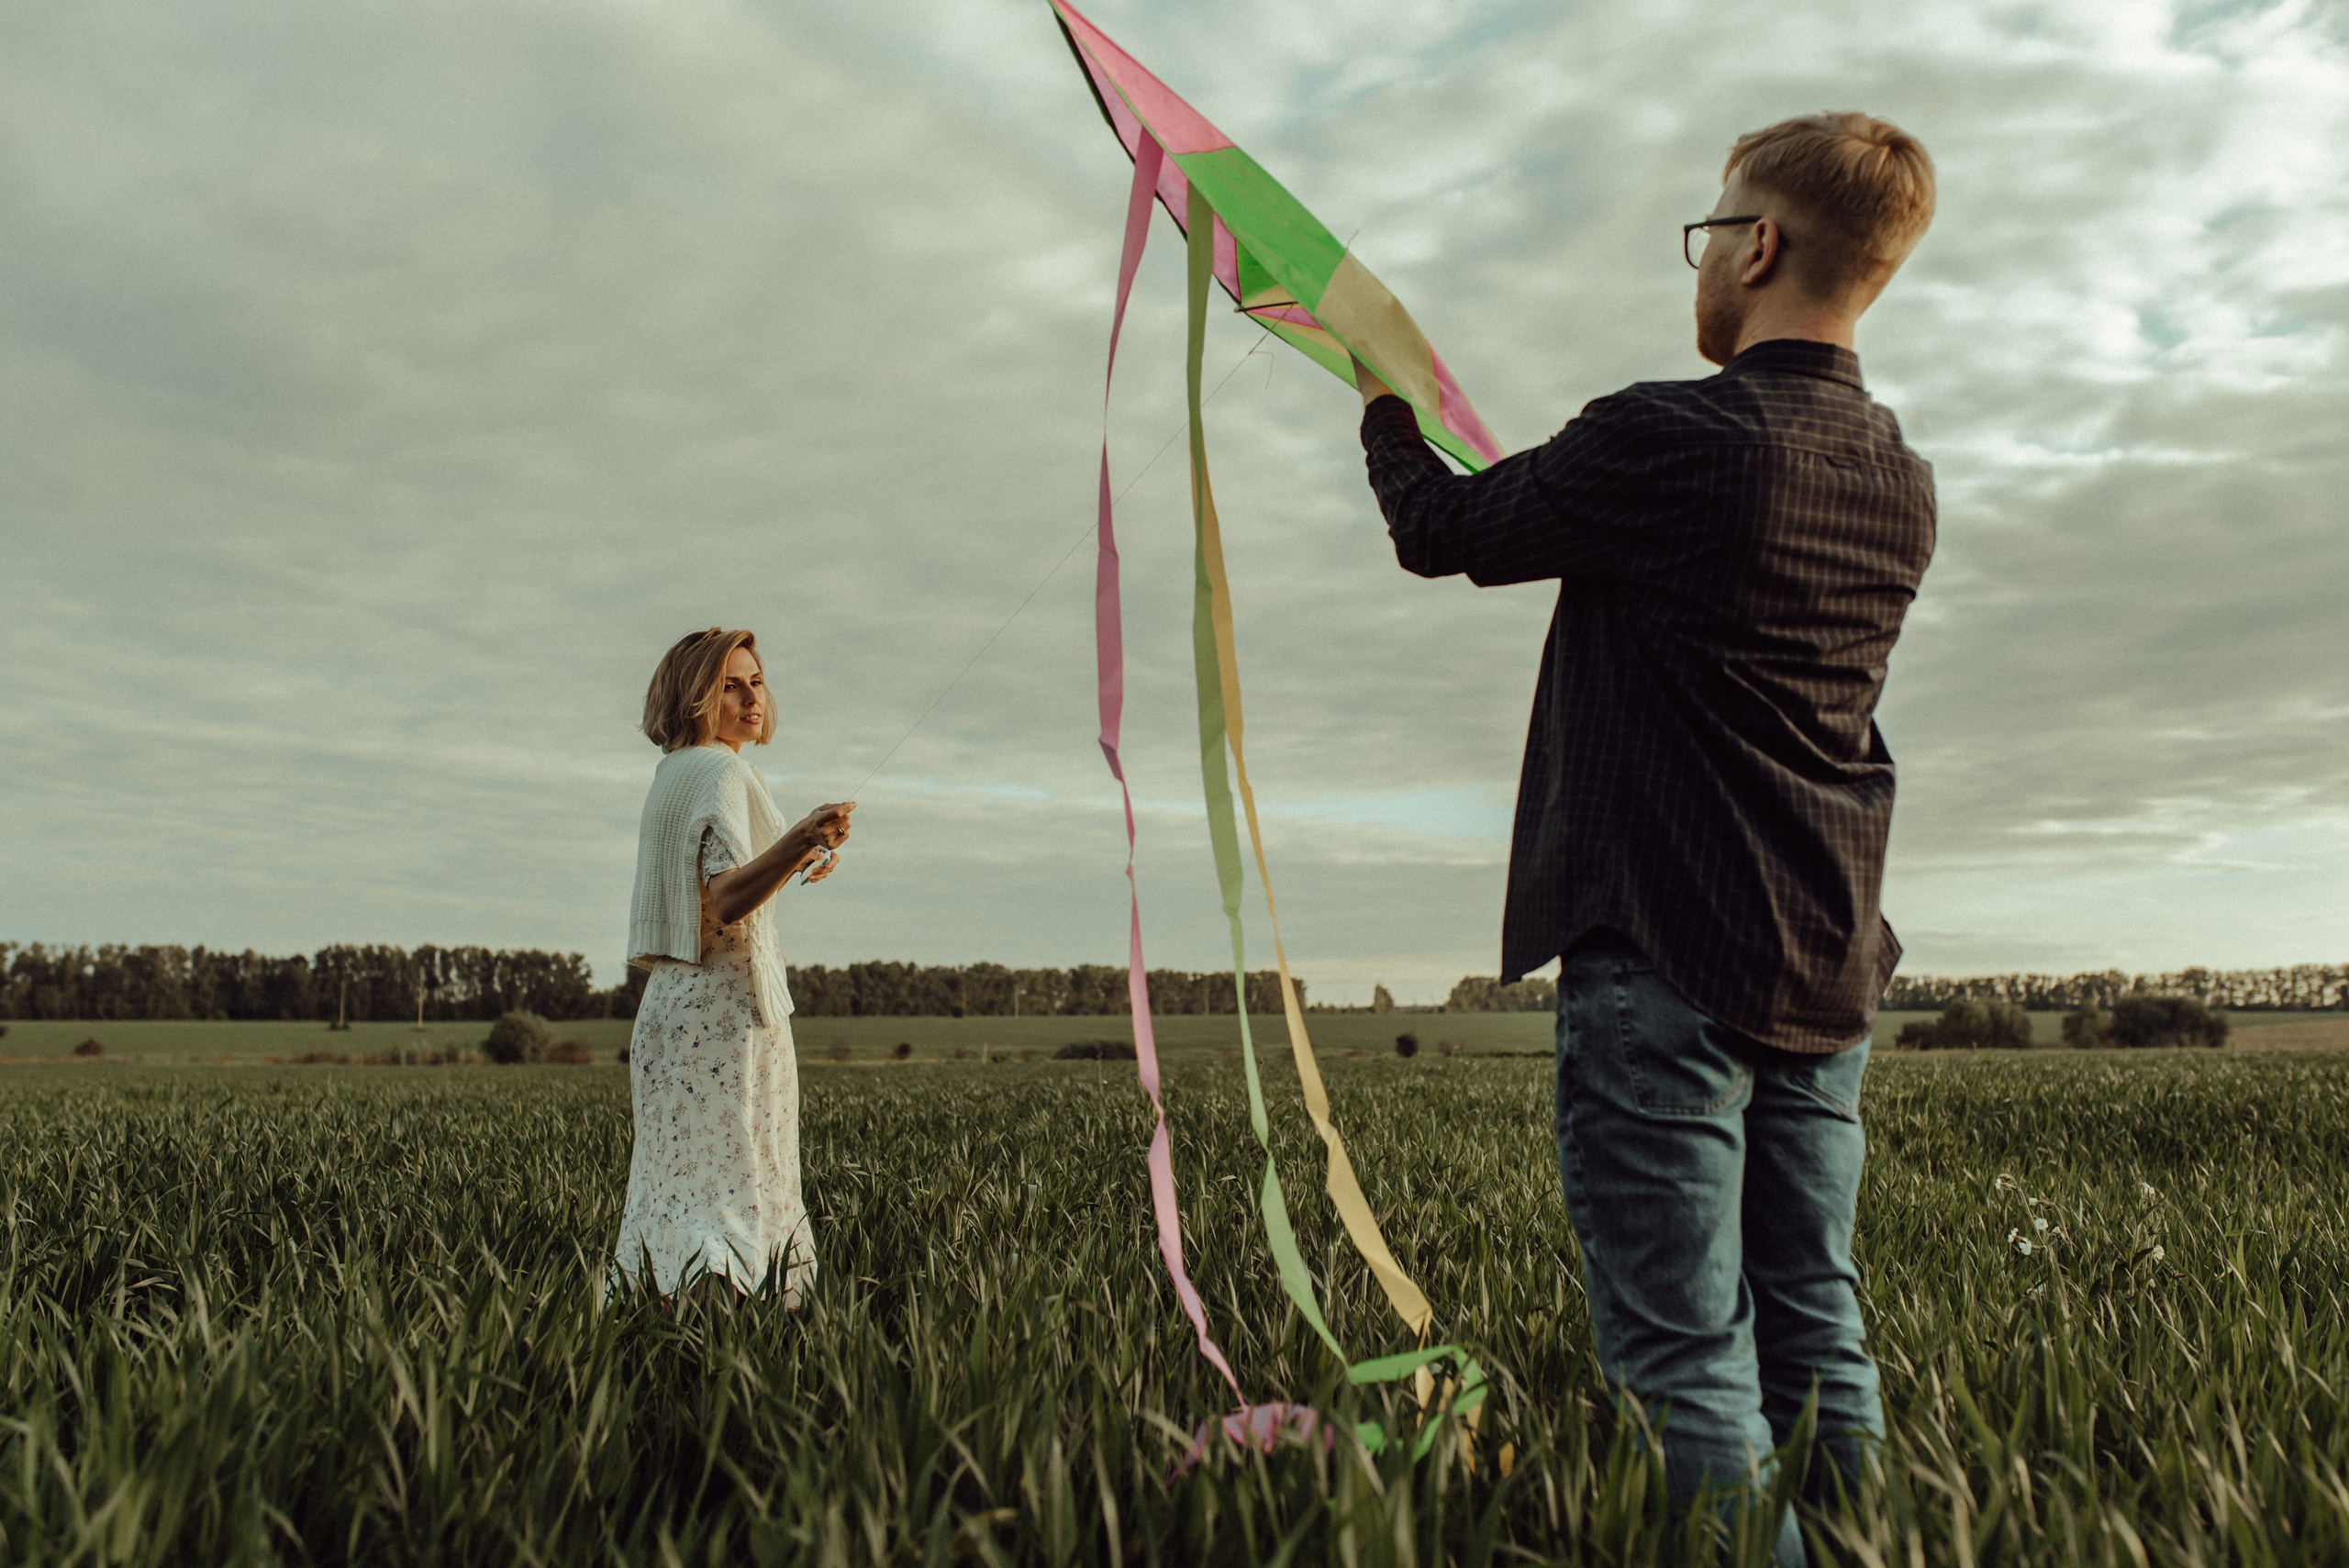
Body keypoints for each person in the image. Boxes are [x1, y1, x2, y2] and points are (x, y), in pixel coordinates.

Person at [1353, 115, 1937, 1558]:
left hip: (1667, 956)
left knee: (1686, 1361)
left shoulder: (1667, 434)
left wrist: (1380, 399)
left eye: (1714, 222)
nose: (1707, 252)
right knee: (1816, 1329)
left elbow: (1441, 526)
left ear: (1762, 245)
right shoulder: (1898, 473)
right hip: (1825, 958)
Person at [613, 627, 853, 1305]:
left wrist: (793, 853)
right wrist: (801, 836)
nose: (753, 696)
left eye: (757, 680)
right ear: (693, 695)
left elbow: (708, 884)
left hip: (671, 1007)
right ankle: (728, 1353)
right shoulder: (722, 770)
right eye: (730, 684)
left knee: (674, 1192)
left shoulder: (673, 774)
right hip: (724, 1016)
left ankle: (656, 1339)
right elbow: (725, 898)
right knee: (737, 1190)